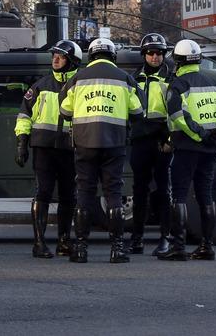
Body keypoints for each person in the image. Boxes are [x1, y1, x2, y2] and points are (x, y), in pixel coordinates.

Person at [59, 37, 143, 264]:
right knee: (113, 194)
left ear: (92, 56)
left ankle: (81, 249)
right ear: (112, 56)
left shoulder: (78, 78)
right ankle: (117, 249)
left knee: (85, 194)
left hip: (85, 144)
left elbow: (65, 110)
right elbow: (137, 111)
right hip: (114, 144)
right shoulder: (124, 78)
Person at [160, 39, 216, 261]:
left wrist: (198, 135)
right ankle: (207, 246)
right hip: (212, 149)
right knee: (205, 195)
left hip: (187, 147)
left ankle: (178, 247)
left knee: (180, 195)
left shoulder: (179, 85)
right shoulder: (214, 83)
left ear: (177, 61)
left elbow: (177, 116)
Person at [15, 40, 81, 258]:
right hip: (43, 148)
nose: (55, 59)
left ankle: (64, 242)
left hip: (70, 148)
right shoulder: (40, 86)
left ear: (72, 61)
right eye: (54, 55)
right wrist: (22, 143)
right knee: (42, 193)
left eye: (61, 56)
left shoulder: (80, 86)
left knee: (68, 196)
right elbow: (24, 115)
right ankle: (39, 243)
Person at [129, 33, 173, 256]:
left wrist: (169, 140)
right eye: (151, 52)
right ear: (144, 54)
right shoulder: (134, 77)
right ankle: (137, 238)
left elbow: (178, 112)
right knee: (139, 191)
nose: (155, 57)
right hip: (139, 139)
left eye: (159, 53)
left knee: (163, 191)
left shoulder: (171, 77)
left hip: (162, 140)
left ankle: (165, 237)